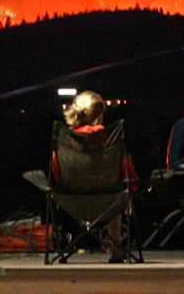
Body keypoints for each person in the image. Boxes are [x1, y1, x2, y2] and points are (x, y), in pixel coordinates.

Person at [52, 90, 138, 263]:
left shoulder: (66, 140)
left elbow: (57, 170)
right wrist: (134, 187)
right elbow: (126, 170)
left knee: (113, 194)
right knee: (117, 194)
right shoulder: (110, 139)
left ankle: (64, 250)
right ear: (100, 115)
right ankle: (116, 251)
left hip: (73, 201)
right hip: (109, 201)